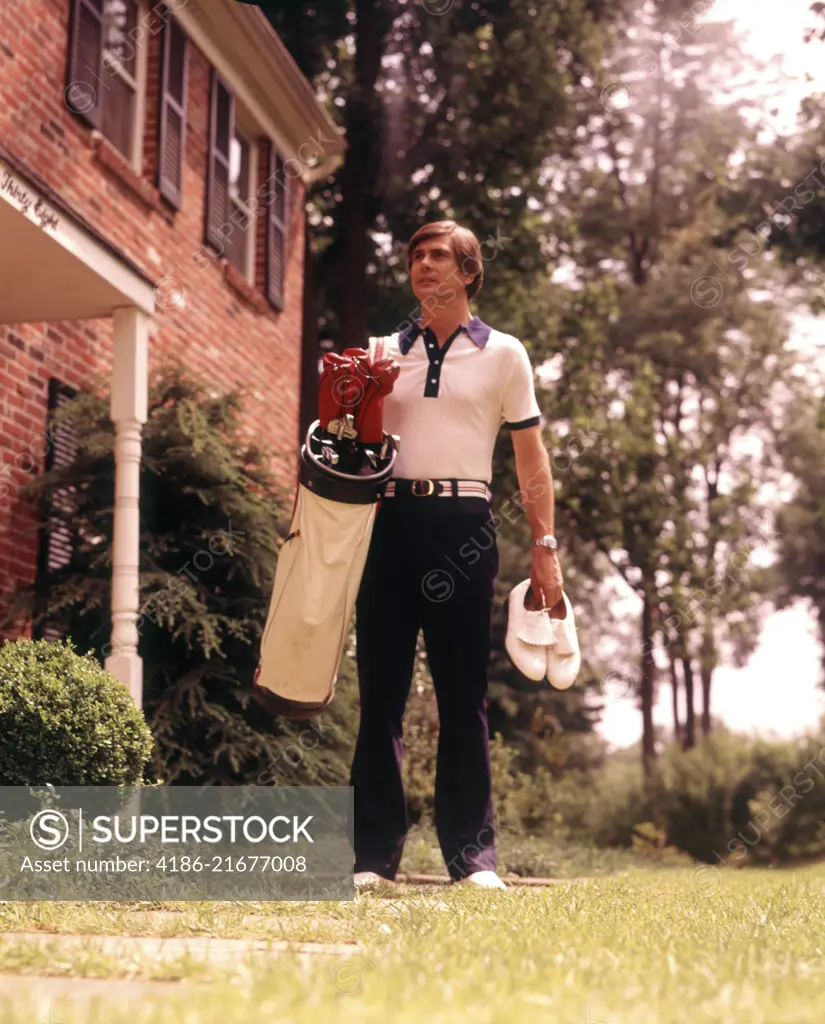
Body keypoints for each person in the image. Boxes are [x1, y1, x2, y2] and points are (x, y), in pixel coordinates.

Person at [351, 220, 564, 890]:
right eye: (416, 257)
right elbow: (354, 445)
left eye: (438, 257)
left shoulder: (504, 355)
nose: (423, 266)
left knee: (462, 697)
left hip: (465, 526)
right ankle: (371, 858)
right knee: (379, 695)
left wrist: (544, 548)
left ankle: (472, 861)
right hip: (387, 523)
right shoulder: (383, 351)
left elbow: (530, 461)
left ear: (469, 272)